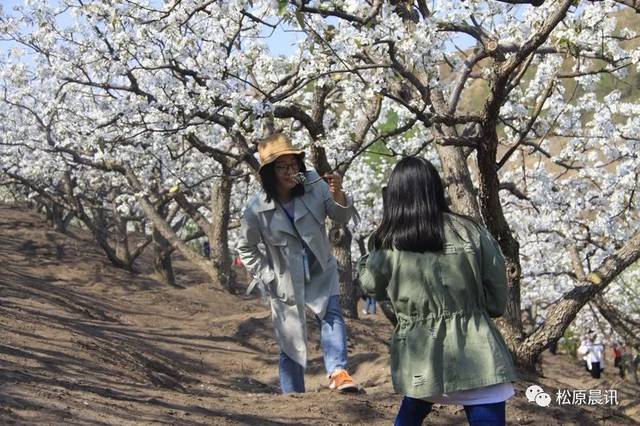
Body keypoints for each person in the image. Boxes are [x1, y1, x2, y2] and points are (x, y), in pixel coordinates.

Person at [358, 156, 517, 426]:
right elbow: (497, 293)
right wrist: (479, 311)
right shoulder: (470, 230)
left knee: (412, 409)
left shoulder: (389, 241)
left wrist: (374, 245)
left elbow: (370, 284)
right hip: (476, 348)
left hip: (422, 352)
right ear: (436, 188)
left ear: (395, 196)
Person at [237, 133, 359, 394]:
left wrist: (338, 194)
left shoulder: (314, 184)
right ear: (270, 172)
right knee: (290, 337)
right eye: (282, 167)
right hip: (285, 277)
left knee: (332, 314)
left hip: (320, 265)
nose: (290, 172)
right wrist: (269, 276)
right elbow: (245, 249)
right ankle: (293, 394)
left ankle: (338, 372)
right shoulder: (256, 208)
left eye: (294, 165)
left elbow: (340, 216)